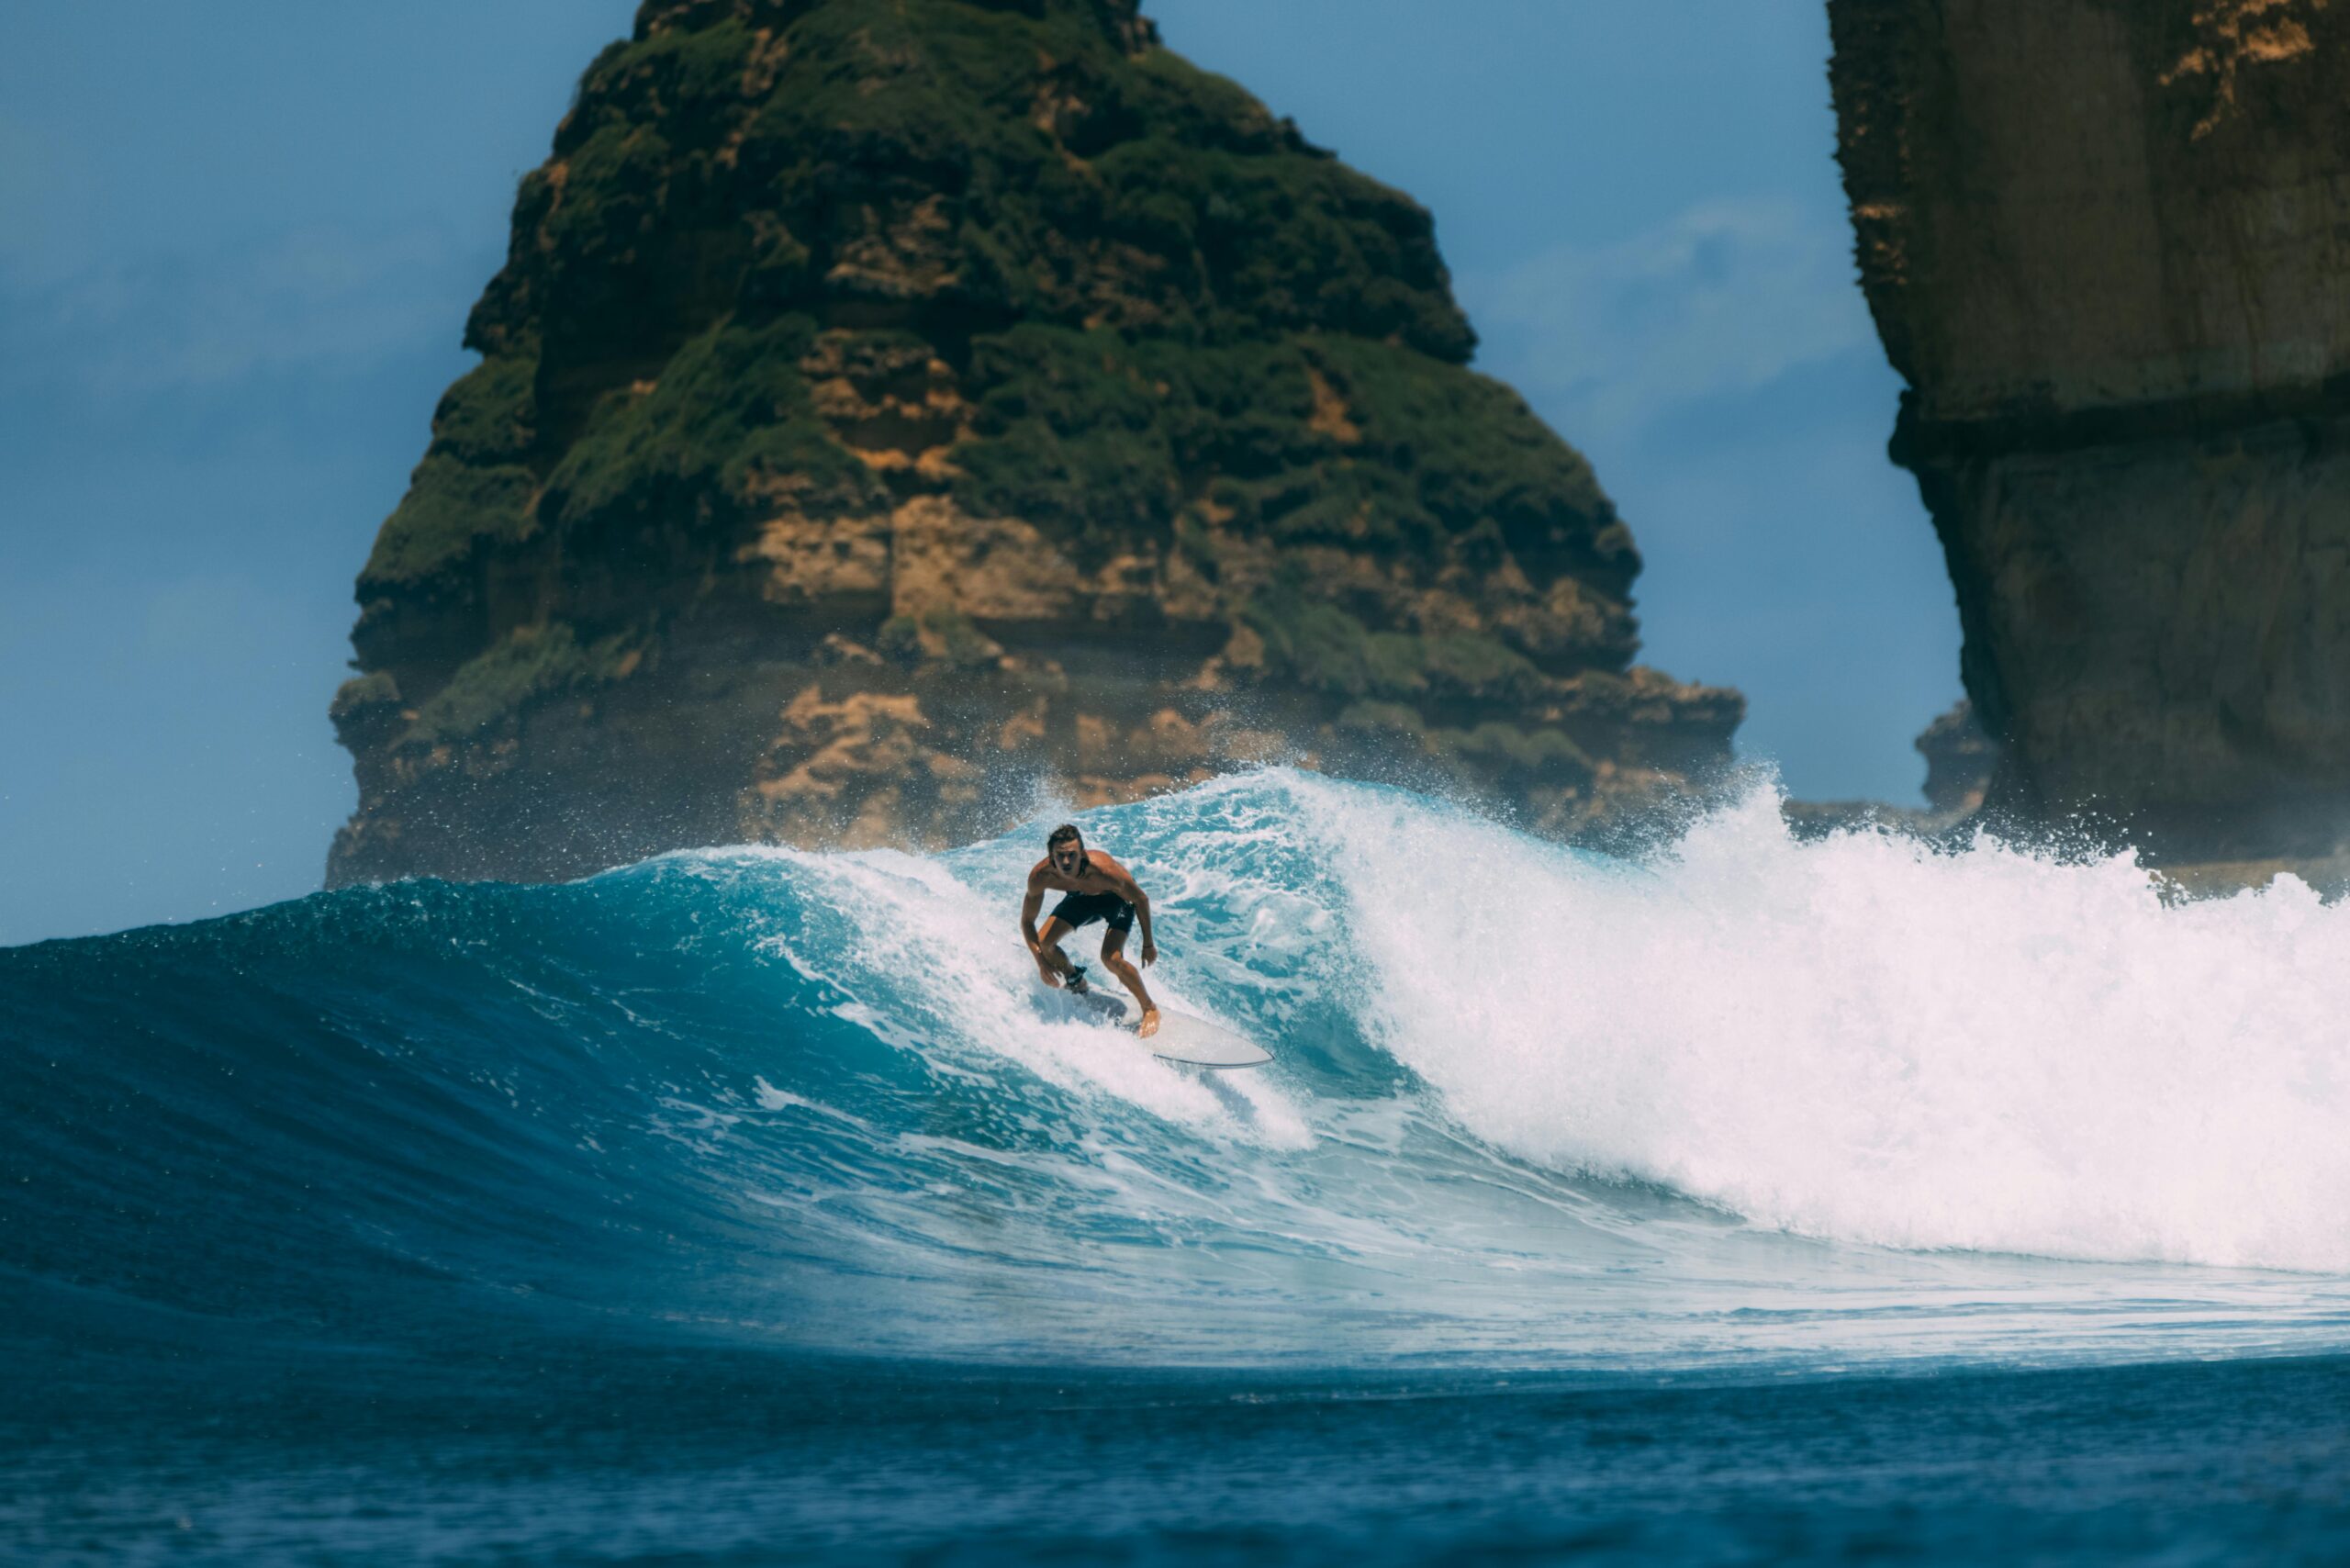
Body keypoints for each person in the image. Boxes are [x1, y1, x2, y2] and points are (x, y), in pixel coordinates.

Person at [1021, 822, 1160, 1037]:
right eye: (1060, 856)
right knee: (1044, 944)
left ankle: (1149, 1007)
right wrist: (1040, 962)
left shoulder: (1105, 872)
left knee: (1110, 958)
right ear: (1051, 857)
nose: (1066, 861)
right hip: (1081, 899)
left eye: (1072, 855)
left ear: (1082, 853)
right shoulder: (1041, 877)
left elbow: (1141, 899)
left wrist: (1148, 944)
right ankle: (1076, 980)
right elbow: (1027, 921)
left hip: (1118, 903)